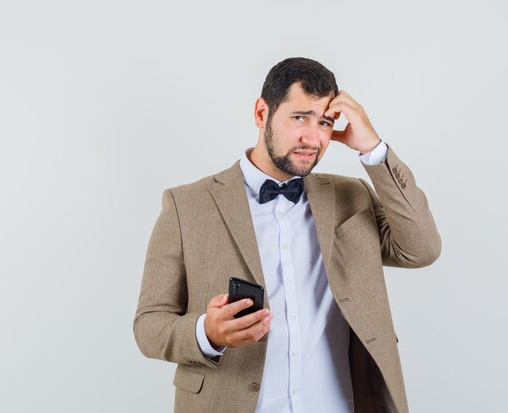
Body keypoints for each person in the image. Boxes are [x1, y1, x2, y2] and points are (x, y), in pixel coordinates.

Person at [134, 57, 441, 413]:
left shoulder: (352, 197)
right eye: (299, 118)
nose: (312, 138)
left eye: (325, 122)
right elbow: (149, 325)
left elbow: (422, 249)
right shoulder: (186, 205)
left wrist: (373, 150)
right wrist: (208, 332)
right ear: (262, 113)